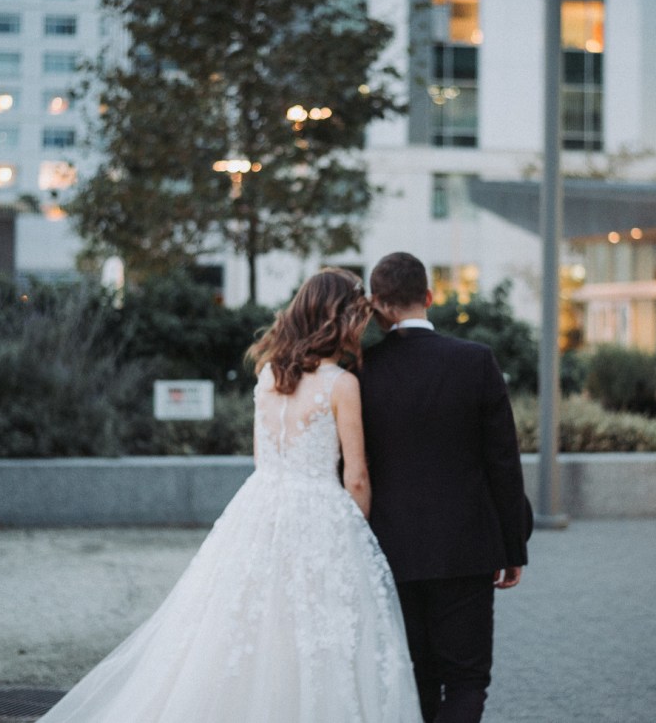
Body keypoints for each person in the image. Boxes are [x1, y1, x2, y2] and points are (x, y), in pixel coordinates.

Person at [39, 268, 421, 722]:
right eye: (358, 317)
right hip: (321, 512)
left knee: (250, 622)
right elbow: (356, 476)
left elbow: (263, 457)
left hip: (260, 505)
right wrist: (356, 536)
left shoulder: (268, 374)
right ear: (340, 320)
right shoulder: (341, 384)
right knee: (317, 629)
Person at [358, 252, 531, 723]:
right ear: (429, 297)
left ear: (377, 305)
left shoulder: (362, 371)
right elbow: (503, 461)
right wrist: (513, 545)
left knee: (416, 677)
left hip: (391, 549)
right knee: (466, 679)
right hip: (466, 548)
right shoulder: (475, 361)